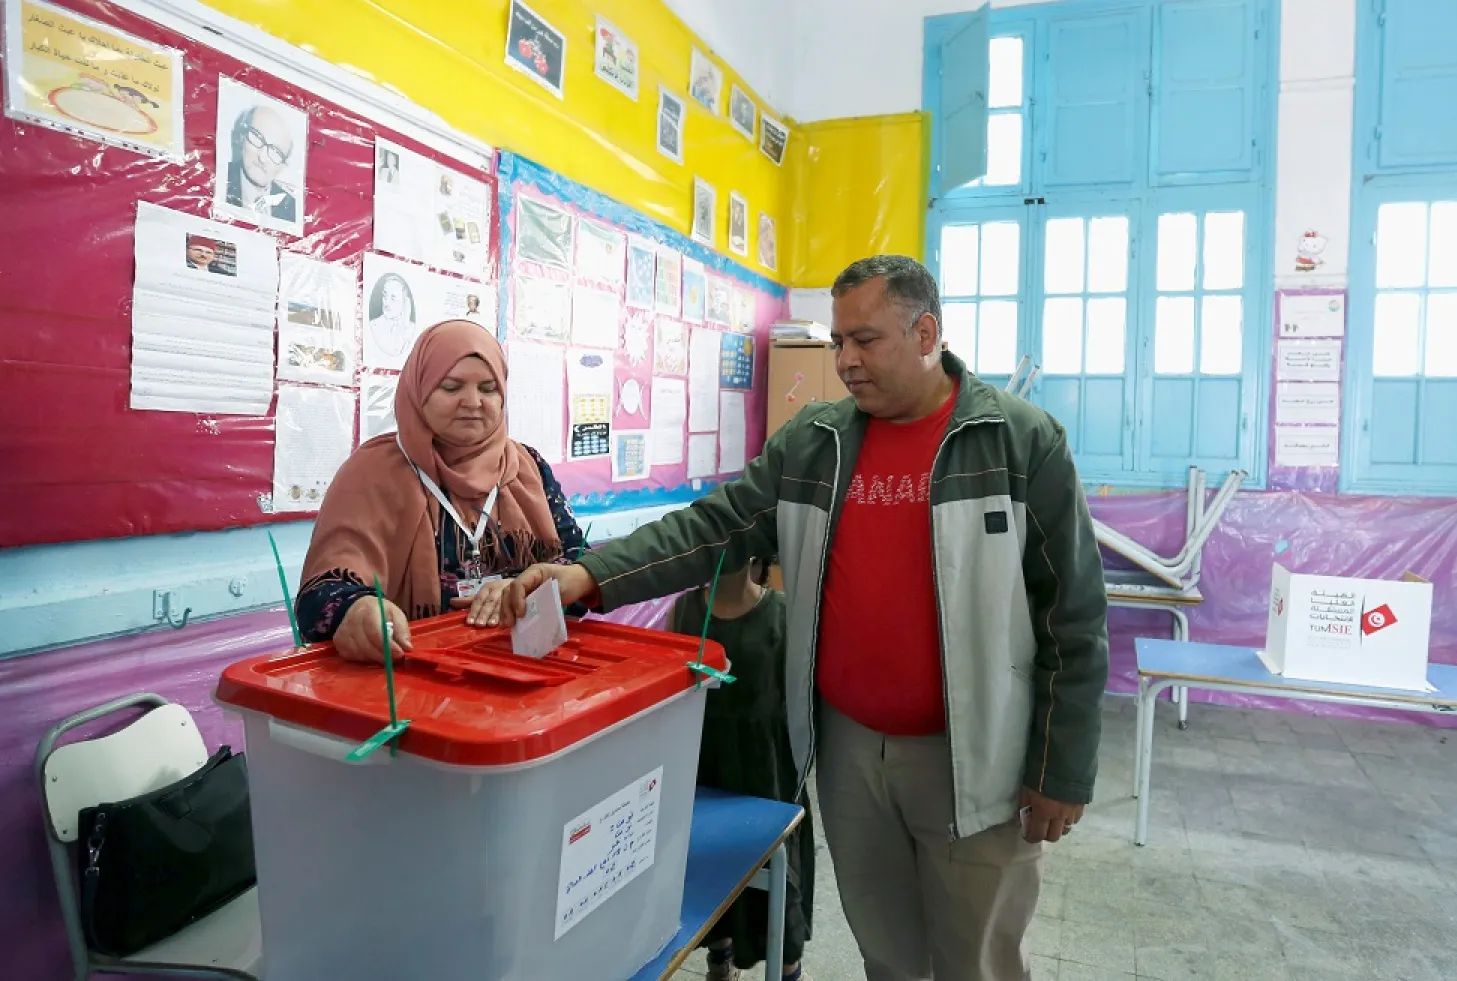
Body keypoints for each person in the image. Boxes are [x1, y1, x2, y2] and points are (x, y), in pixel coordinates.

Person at [491, 255, 1110, 981]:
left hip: (974, 756)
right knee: (888, 951)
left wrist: (1060, 765)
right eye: (837, 342)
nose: (844, 361)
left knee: (980, 960)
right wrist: (588, 574)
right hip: (848, 751)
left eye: (865, 340)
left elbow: (1074, 614)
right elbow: (711, 528)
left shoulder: (1017, 441)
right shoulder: (815, 444)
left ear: (926, 333)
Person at [296, 319, 586, 662]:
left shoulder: (527, 466)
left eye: (489, 388)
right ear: (419, 391)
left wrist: (527, 587)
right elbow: (321, 594)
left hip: (527, 667)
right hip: (415, 678)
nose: (473, 402)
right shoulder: (374, 473)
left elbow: (583, 565)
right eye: (451, 387)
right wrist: (356, 609)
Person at [669, 557, 813, 981]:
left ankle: (787, 968)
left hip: (766, 766)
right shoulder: (684, 610)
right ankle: (720, 958)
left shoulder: (781, 614)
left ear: (753, 554)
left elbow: (802, 693)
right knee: (711, 867)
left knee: (778, 873)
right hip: (706, 759)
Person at [224, 104, 298, 223]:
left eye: (276, 151)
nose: (262, 158)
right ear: (242, 137)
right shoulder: (218, 180)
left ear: (282, 166)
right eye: (258, 137)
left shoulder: (291, 208)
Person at [367, 273, 417, 361]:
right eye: (384, 296)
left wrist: (405, 325)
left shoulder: (411, 329)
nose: (386, 303)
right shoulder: (374, 326)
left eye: (393, 298)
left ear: (405, 301)